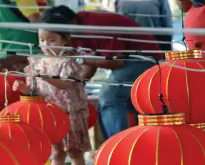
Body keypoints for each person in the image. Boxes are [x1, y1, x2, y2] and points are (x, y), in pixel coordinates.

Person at [44, 5, 161, 140]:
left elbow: (116, 62)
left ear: (70, 23)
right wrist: (75, 87)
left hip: (143, 58)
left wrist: (79, 60)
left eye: (52, 39)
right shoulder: (74, 32)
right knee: (115, 102)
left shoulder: (93, 27)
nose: (47, 44)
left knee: (110, 98)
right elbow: (91, 62)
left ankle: (118, 146)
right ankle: (115, 147)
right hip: (127, 60)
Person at [12, 12, 91, 165]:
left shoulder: (68, 62)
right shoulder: (37, 63)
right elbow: (34, 89)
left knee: (74, 151)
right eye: (42, 39)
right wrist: (22, 88)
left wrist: (45, 77)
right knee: (56, 152)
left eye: (51, 39)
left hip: (69, 112)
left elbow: (65, 84)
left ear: (64, 40)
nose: (46, 44)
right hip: (50, 115)